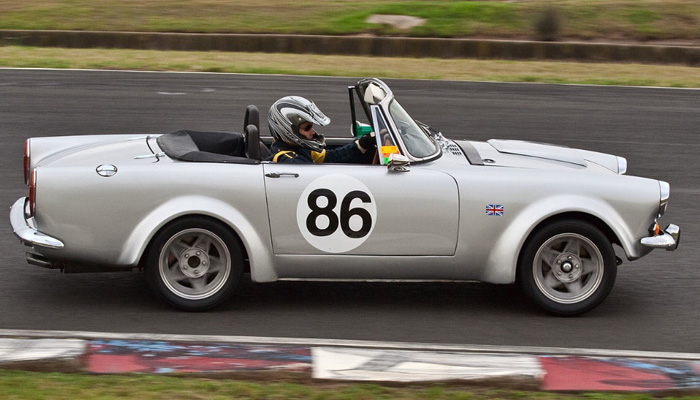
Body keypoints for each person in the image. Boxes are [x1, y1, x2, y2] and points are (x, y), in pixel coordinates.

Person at [266, 96, 376, 164]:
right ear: (288, 130)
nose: (313, 132)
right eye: (307, 128)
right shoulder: (288, 160)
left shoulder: (299, 149)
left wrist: (361, 144)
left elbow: (332, 157)